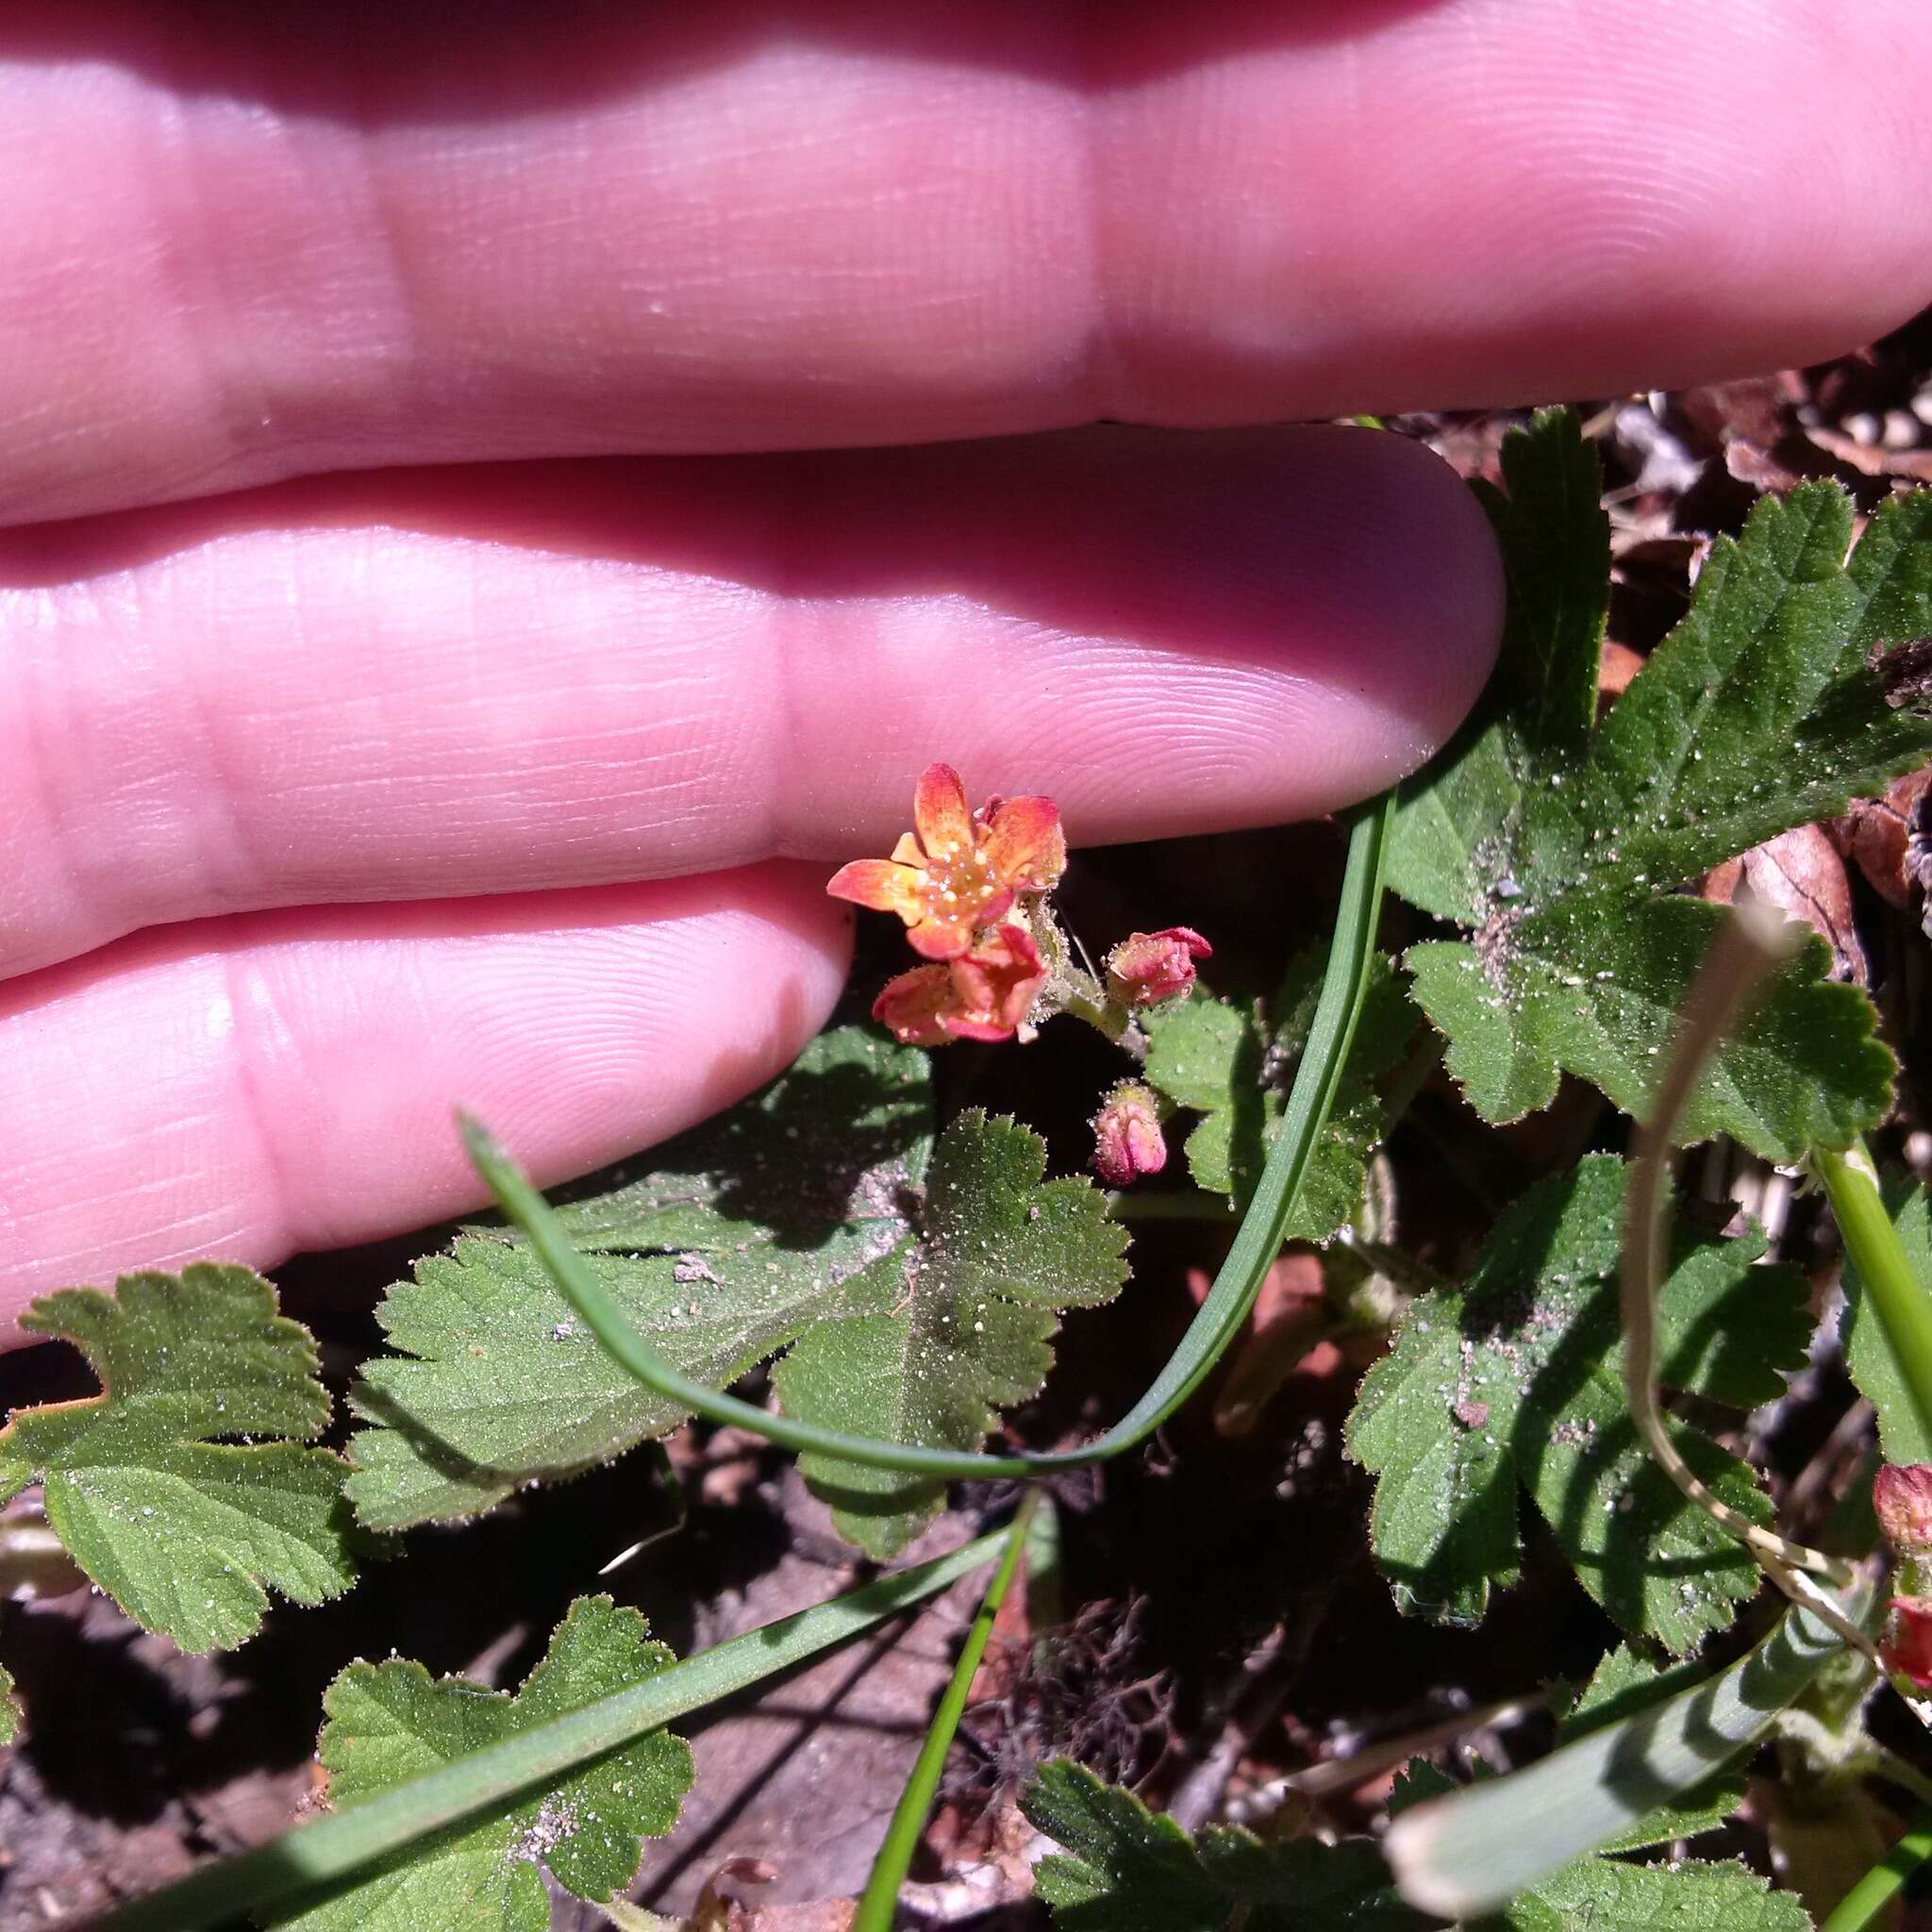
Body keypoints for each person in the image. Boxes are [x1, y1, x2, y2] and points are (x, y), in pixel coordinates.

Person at [0, 2, 1925, 1337]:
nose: (952, 888)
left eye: (963, 888)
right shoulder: (970, 929)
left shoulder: (991, 891)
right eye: (953, 893)